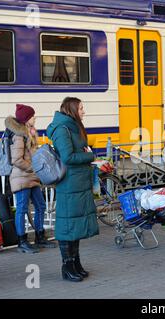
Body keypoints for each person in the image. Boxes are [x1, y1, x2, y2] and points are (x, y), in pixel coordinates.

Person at [46, 97, 99, 282]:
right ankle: (67, 266)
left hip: (78, 184)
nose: (84, 111)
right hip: (69, 185)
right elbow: (68, 157)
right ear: (72, 110)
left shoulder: (73, 127)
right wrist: (89, 156)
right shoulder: (63, 130)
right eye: (81, 108)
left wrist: (87, 154)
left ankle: (75, 263)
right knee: (67, 226)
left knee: (74, 226)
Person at [6, 104, 56, 254]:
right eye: (33, 116)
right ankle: (22, 241)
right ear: (27, 119)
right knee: (22, 209)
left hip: (31, 177)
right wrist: (32, 168)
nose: (35, 118)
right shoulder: (19, 135)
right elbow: (16, 159)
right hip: (22, 177)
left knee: (40, 206)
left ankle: (40, 236)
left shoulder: (29, 133)